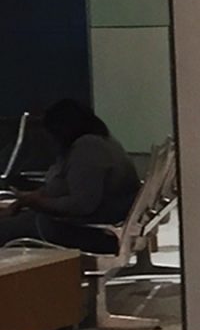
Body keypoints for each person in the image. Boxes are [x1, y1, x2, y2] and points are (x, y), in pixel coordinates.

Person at [0, 100, 140, 251]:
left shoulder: (88, 149)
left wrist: (37, 202)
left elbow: (81, 205)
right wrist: (26, 201)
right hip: (93, 223)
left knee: (7, 228)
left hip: (82, 231)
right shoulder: (102, 142)